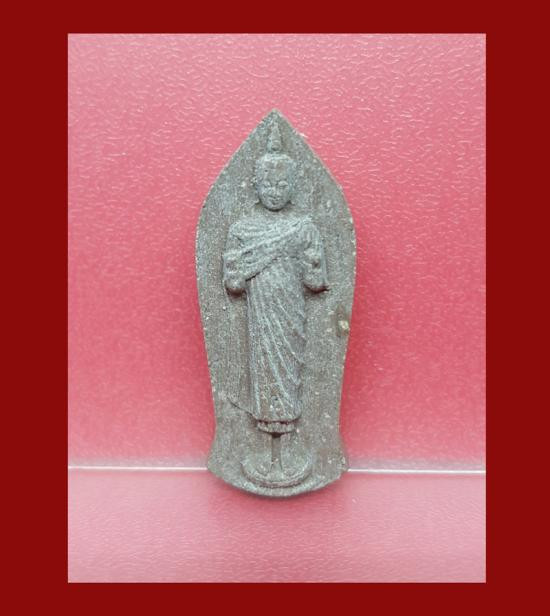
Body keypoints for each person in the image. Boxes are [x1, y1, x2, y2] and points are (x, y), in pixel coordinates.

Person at [223, 121, 328, 487]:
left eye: (282, 185)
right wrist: (242, 267)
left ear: (293, 186)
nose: (273, 192)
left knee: (291, 376)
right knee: (265, 377)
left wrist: (309, 262)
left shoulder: (304, 227)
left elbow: (316, 282)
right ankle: (270, 457)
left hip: (291, 315)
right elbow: (233, 283)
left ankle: (283, 457)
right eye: (267, 185)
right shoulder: (242, 229)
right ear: (255, 185)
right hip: (261, 317)